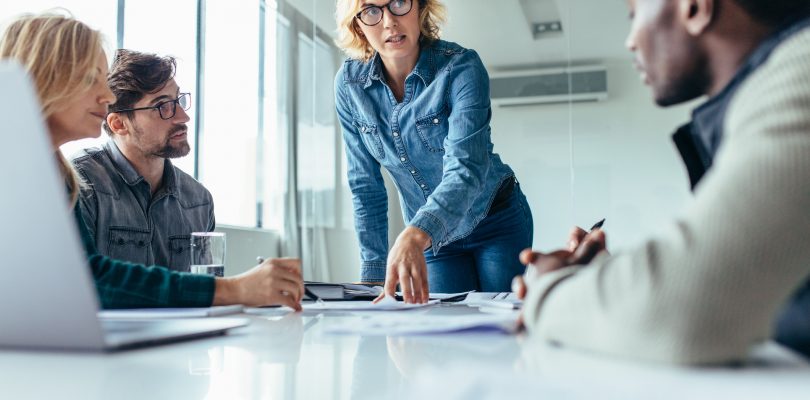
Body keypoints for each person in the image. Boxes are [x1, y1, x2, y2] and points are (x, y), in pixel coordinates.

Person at [516, 0, 810, 364]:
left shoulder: (801, 73)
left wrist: (549, 288)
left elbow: (682, 311)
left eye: (634, 15)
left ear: (695, 8)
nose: (630, 41)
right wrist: (611, 281)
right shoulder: (759, 98)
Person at [0, 12, 305, 310]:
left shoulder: (55, 173)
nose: (106, 95)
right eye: (90, 79)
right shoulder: (62, 178)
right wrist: (236, 289)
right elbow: (87, 282)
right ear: (45, 78)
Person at [334, 0, 533, 303]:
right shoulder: (349, 87)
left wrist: (416, 232)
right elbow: (365, 185)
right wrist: (373, 275)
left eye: (399, 3)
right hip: (432, 242)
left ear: (421, 8)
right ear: (357, 24)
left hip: (495, 220)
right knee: (443, 336)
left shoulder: (461, 67)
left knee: (498, 331)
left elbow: (466, 168)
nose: (389, 22)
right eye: (372, 11)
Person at [72, 49, 213, 272]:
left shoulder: (199, 200)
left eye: (178, 100)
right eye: (163, 106)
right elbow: (81, 287)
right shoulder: (80, 185)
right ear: (119, 124)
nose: (183, 117)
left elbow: (207, 289)